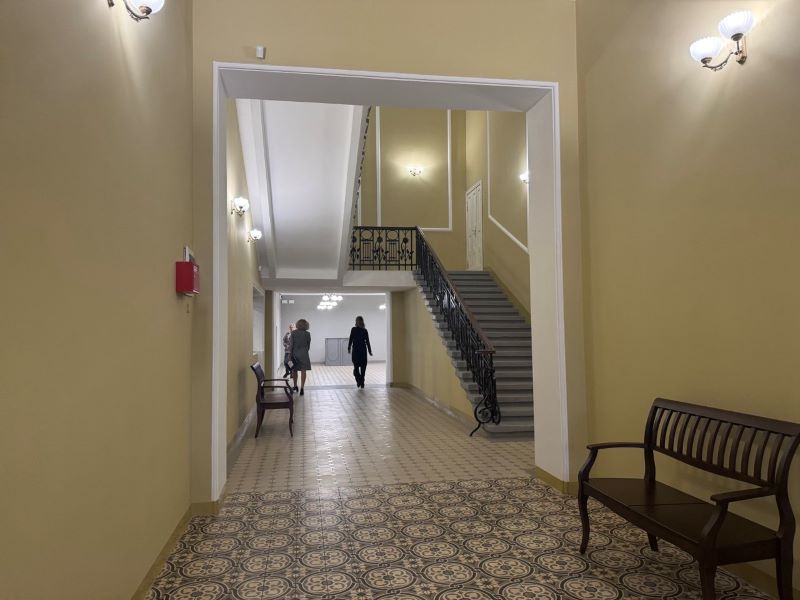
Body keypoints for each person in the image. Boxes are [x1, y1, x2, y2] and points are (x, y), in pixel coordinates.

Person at [348, 315, 372, 389]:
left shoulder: (365, 330)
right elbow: (351, 339)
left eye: (358, 320)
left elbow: (367, 341)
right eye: (356, 320)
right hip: (355, 351)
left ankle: (362, 382)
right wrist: (349, 347)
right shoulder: (353, 329)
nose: (357, 322)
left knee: (363, 368)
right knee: (356, 368)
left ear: (361, 321)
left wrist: (369, 351)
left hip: (363, 351)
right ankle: (359, 380)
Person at [289, 318, 311, 396]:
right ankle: (302, 388)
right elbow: (308, 345)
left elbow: (291, 345)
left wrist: (290, 354)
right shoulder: (307, 334)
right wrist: (304, 351)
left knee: (294, 370)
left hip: (295, 354)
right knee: (303, 371)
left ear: (298, 324)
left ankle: (295, 386)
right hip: (304, 354)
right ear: (306, 325)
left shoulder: (293, 333)